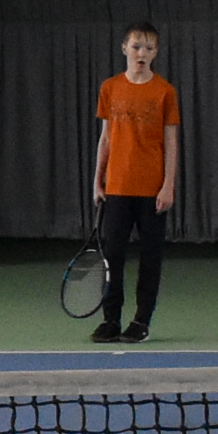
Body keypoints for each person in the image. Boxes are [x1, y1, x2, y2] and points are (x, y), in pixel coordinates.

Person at [88, 24, 180, 344]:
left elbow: (171, 142)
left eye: (149, 48)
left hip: (152, 191)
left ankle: (141, 321)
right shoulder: (110, 88)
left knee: (150, 258)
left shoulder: (165, 91)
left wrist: (168, 185)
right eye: (137, 46)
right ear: (124, 48)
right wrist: (98, 180)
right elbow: (105, 138)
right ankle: (110, 320)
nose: (142, 53)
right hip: (116, 187)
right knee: (112, 256)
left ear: (156, 53)